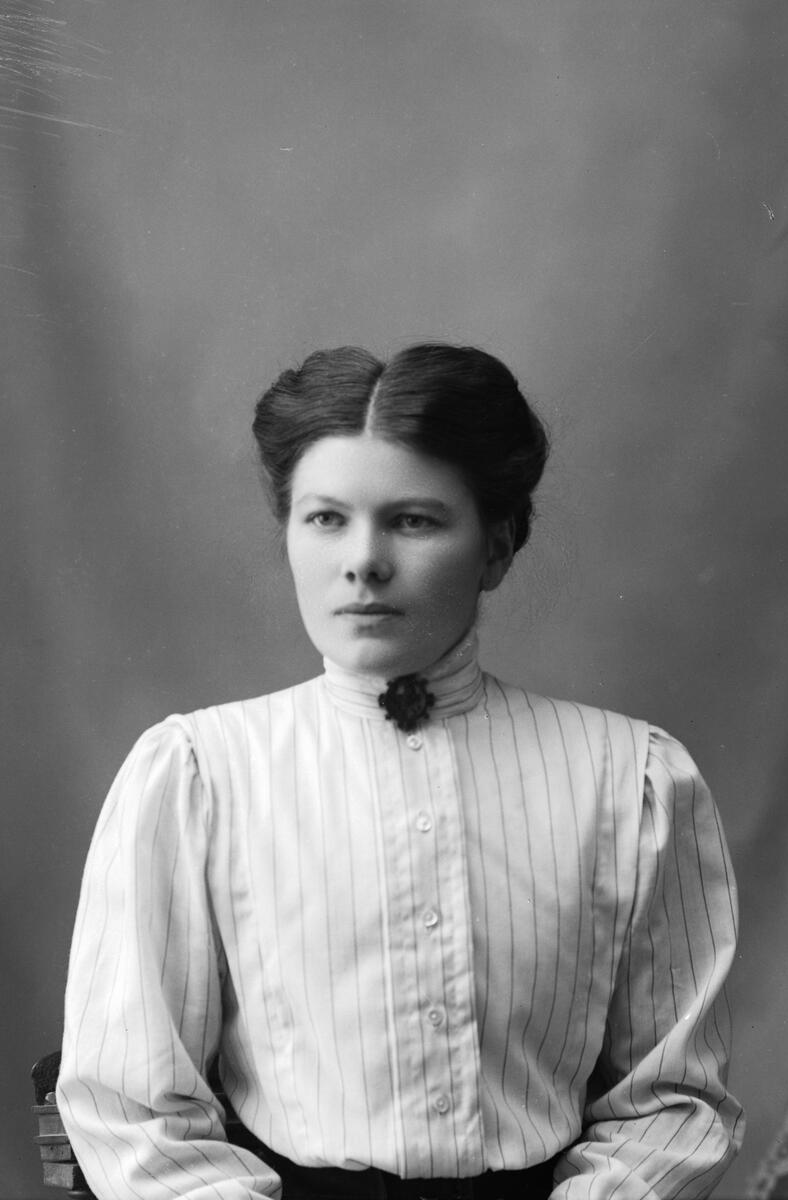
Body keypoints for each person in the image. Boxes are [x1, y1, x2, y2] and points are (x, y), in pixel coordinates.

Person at [57, 343, 744, 1200]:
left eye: (413, 521)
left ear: (496, 547)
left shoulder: (629, 777)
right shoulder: (200, 773)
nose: (363, 561)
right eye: (325, 519)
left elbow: (673, 1103)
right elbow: (132, 1107)